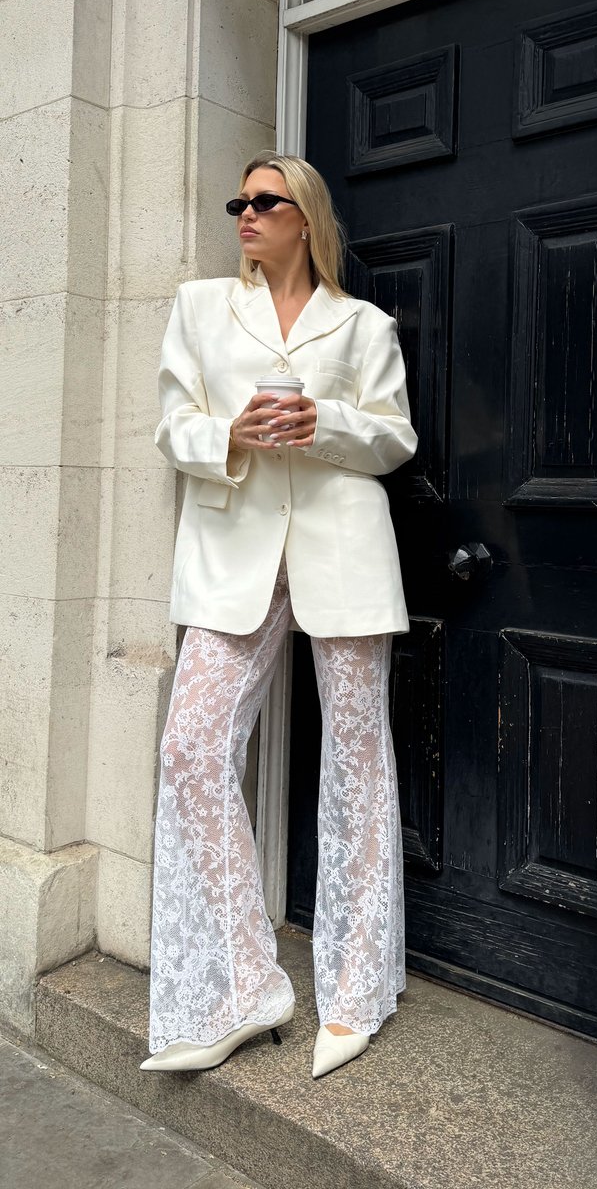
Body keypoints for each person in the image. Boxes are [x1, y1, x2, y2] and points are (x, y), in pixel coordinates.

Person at [138, 151, 417, 1080]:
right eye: (239, 202)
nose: (246, 214)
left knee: (359, 759)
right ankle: (248, 981)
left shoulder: (363, 324)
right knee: (191, 747)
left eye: (265, 201)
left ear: (306, 217)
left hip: (342, 549)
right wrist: (229, 434)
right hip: (235, 555)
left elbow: (394, 438)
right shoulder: (201, 306)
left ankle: (356, 989)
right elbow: (172, 425)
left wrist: (323, 424)